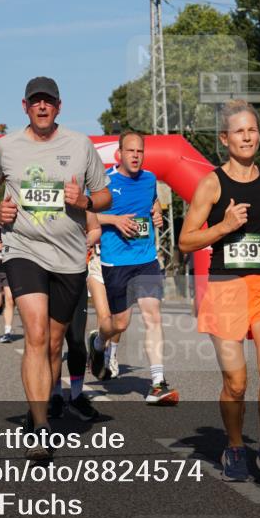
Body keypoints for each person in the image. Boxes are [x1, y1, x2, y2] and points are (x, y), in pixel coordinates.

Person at [0, 76, 110, 460]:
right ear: (24, 106)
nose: (41, 107)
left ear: (58, 106)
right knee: (35, 333)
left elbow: (104, 195)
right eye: (35, 102)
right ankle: (39, 427)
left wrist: (84, 200)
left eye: (48, 102)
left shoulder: (80, 145)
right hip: (23, 248)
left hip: (68, 257)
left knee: (54, 343)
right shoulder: (6, 147)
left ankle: (49, 398)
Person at [179, 99, 260, 490]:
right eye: (239, 132)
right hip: (225, 287)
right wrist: (224, 226)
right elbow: (185, 241)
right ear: (224, 139)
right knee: (236, 382)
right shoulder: (211, 184)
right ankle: (233, 447)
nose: (247, 137)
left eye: (253, 130)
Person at [89, 132, 177, 405]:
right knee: (120, 324)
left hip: (146, 258)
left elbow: (152, 204)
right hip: (116, 261)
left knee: (153, 316)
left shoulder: (150, 179)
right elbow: (86, 213)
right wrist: (113, 220)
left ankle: (157, 383)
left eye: (140, 151)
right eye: (131, 151)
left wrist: (157, 213)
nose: (136, 155)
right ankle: (98, 343)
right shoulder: (106, 183)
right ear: (120, 154)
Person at [55, 212, 103, 421]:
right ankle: (54, 395)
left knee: (76, 340)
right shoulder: (37, 195)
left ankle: (75, 395)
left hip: (75, 276)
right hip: (46, 277)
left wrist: (84, 241)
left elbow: (95, 228)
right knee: (51, 342)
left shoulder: (80, 202)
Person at [86, 242, 122, 379]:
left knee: (118, 318)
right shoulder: (95, 219)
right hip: (98, 265)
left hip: (121, 266)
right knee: (104, 316)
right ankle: (104, 358)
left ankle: (110, 353)